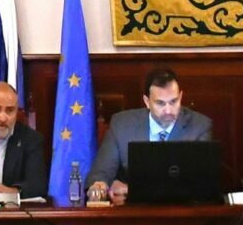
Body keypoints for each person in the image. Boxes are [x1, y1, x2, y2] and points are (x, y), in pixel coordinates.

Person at [86, 68, 213, 205]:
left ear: (181, 97)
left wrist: (133, 192)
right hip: (131, 215)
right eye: (160, 103)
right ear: (147, 101)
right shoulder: (121, 125)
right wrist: (102, 187)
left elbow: (201, 186)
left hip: (180, 212)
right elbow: (99, 175)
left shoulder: (200, 127)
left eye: (173, 101)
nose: (168, 110)